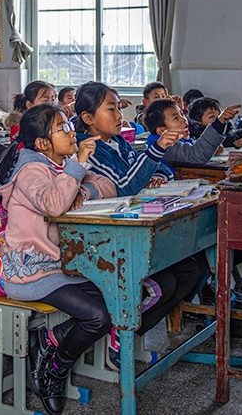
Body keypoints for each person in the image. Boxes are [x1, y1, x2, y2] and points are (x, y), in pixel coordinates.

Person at [0, 104, 116, 415]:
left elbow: (108, 186)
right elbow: (53, 203)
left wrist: (83, 192)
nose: (72, 132)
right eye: (63, 128)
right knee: (98, 318)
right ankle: (56, 371)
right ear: (42, 143)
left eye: (69, 126)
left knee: (118, 298)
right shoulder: (30, 170)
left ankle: (48, 341)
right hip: (30, 272)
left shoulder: (60, 166)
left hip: (62, 268)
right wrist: (78, 166)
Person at [73, 83, 205, 372]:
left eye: (119, 107)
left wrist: (157, 173)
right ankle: (120, 333)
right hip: (105, 242)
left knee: (191, 272)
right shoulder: (87, 149)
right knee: (164, 283)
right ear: (87, 118)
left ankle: (128, 335)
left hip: (132, 231)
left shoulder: (118, 143)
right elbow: (124, 186)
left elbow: (146, 169)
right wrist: (155, 151)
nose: (120, 114)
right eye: (111, 109)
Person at [143, 98, 240, 164]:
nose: (184, 119)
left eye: (182, 114)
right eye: (176, 118)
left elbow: (193, 148)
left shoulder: (179, 140)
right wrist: (219, 122)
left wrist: (211, 149)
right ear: (162, 131)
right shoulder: (166, 146)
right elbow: (196, 155)